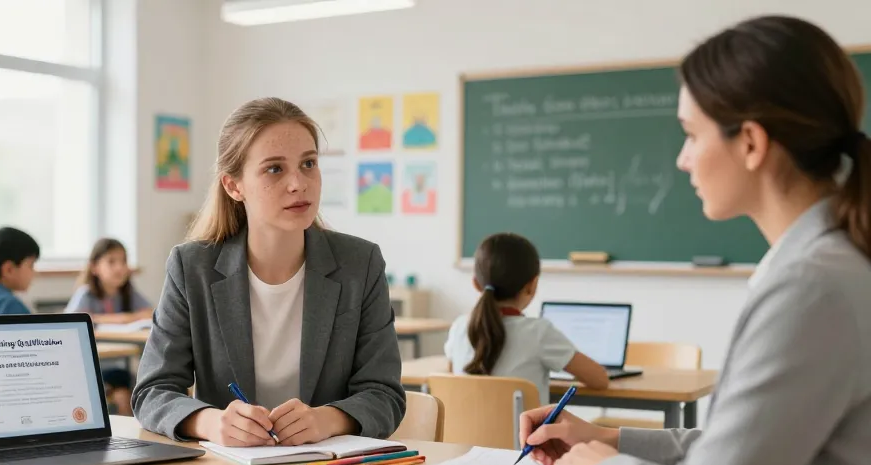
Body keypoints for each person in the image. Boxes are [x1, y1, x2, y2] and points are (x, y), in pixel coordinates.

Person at [517, 15, 871, 465]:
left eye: (691, 134)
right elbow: (739, 453)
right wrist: (609, 439)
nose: (683, 160)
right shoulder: (824, 264)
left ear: (750, 142)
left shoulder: (812, 287)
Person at [132, 97, 406, 446]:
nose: (298, 183)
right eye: (275, 169)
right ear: (234, 186)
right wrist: (210, 423)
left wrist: (327, 419)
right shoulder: (192, 268)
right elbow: (152, 391)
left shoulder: (361, 264)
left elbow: (385, 394)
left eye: (308, 163)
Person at [444, 233, 608, 405]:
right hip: (522, 433)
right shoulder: (539, 333)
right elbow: (600, 380)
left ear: (476, 284)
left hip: (461, 433)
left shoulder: (459, 327)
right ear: (532, 285)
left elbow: (451, 378)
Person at [66, 237, 151, 415]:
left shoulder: (128, 293)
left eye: (123, 261)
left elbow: (151, 313)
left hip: (118, 367)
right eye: (111, 262)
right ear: (95, 267)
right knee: (123, 393)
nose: (120, 267)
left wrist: (111, 318)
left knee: (135, 386)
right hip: (90, 368)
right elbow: (73, 323)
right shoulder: (86, 294)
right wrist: (125, 318)